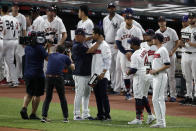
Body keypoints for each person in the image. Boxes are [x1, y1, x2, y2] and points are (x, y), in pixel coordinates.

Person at [71, 28, 101, 120]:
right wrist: (99, 41)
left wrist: (92, 37)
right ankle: (76, 114)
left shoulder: (82, 43)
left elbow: (87, 41)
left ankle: (85, 113)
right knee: (79, 93)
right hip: (80, 74)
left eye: (83, 36)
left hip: (88, 73)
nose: (84, 37)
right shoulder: (77, 46)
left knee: (87, 94)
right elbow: (90, 50)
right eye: (81, 35)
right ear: (77, 36)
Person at [126, 37, 155, 125]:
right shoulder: (144, 50)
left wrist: (128, 72)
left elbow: (134, 69)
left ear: (134, 45)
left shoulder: (134, 55)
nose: (130, 45)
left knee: (138, 97)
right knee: (143, 96)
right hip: (147, 72)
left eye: (131, 43)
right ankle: (150, 115)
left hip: (140, 75)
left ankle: (138, 119)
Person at [41, 45, 73, 123]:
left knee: (48, 98)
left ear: (56, 50)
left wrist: (47, 47)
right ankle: (65, 118)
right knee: (62, 98)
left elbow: (45, 55)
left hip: (48, 77)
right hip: (58, 77)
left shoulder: (51, 55)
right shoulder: (65, 57)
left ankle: (44, 117)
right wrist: (70, 56)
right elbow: (73, 67)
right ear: (63, 51)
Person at [115, 13, 143, 100]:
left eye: (131, 19)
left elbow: (140, 42)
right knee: (125, 73)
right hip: (123, 53)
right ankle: (128, 92)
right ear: (125, 20)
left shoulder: (137, 30)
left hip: (135, 53)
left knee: (136, 72)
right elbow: (118, 43)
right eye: (128, 19)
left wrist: (132, 52)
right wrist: (125, 52)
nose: (129, 20)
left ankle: (137, 92)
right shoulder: (120, 30)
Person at [20, 42, 48, 120]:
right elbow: (48, 58)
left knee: (29, 93)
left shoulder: (27, 47)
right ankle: (33, 114)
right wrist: (48, 47)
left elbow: (38, 52)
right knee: (37, 95)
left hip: (28, 74)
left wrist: (44, 47)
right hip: (38, 74)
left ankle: (24, 108)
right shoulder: (41, 48)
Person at [156, 16, 179, 102]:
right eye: (160, 21)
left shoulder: (171, 31)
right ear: (158, 23)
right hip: (162, 58)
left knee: (171, 76)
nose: (162, 22)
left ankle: (173, 95)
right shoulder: (156, 33)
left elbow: (177, 42)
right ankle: (164, 95)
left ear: (165, 22)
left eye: (163, 21)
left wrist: (173, 51)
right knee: (163, 76)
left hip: (171, 56)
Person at [149, 33, 170, 128]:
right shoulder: (158, 50)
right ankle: (160, 122)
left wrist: (156, 70)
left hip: (161, 76)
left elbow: (167, 65)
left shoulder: (163, 49)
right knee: (159, 99)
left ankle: (161, 122)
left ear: (157, 39)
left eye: (154, 38)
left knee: (156, 99)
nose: (152, 40)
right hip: (156, 76)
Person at [103, 2, 124, 94]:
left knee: (117, 67)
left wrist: (118, 42)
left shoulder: (120, 19)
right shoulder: (105, 19)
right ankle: (113, 86)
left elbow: (123, 32)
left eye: (113, 7)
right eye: (110, 8)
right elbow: (105, 32)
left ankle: (117, 88)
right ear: (108, 9)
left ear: (115, 8)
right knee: (110, 67)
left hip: (116, 45)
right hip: (108, 44)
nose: (111, 9)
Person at [91, 27, 112, 120]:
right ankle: (100, 114)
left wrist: (103, 73)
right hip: (95, 75)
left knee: (103, 96)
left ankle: (107, 115)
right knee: (97, 95)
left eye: (93, 34)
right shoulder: (95, 44)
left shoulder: (105, 45)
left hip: (102, 75)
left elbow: (108, 60)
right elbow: (88, 51)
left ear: (98, 34)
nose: (92, 35)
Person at [179, 12, 196, 106]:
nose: (190, 19)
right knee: (187, 77)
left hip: (194, 55)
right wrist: (181, 43)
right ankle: (189, 96)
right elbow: (183, 42)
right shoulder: (184, 29)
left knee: (195, 77)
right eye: (189, 18)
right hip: (185, 54)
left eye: (192, 18)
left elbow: (190, 43)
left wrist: (190, 43)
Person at [140, 29, 157, 124]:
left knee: (157, 97)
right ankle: (144, 116)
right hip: (145, 71)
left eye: (147, 35)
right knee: (142, 95)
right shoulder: (142, 45)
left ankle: (160, 118)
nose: (145, 36)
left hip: (154, 72)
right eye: (145, 35)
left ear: (152, 36)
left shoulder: (157, 46)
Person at [1, 5, 20, 87]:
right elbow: (18, 30)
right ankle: (15, 81)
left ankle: (4, 78)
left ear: (1, 10)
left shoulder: (1, 18)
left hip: (3, 41)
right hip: (14, 41)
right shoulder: (15, 19)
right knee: (11, 63)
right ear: (9, 10)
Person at [10, 2, 27, 85]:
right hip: (9, 40)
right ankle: (9, 78)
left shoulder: (22, 17)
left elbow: (24, 30)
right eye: (14, 6)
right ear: (12, 7)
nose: (15, 8)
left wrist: (24, 41)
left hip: (18, 39)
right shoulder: (8, 16)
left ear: (18, 8)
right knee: (8, 60)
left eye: (17, 6)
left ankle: (18, 77)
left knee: (19, 59)